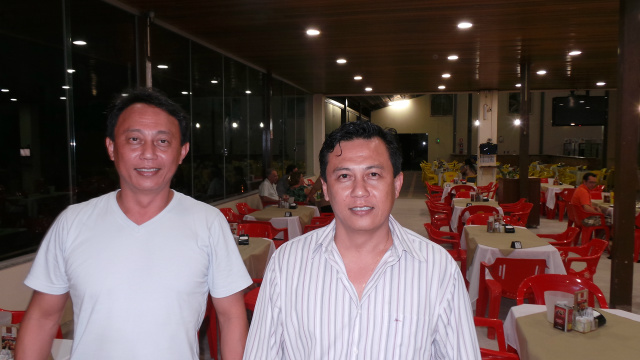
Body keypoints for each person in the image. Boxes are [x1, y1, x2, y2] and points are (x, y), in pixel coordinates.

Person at [16, 88, 252, 360]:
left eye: (163, 141)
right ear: (112, 148)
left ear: (182, 151)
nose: (149, 153)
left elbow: (232, 317)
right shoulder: (73, 222)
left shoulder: (209, 223)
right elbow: (43, 319)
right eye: (134, 139)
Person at [244, 121, 480, 359]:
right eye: (344, 175)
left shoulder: (438, 269)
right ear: (325, 189)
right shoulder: (287, 264)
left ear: (397, 184)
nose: (360, 190)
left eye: (373, 174)